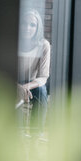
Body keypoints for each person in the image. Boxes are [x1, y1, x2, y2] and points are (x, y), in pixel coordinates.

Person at [17, 9, 51, 138]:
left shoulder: (44, 45)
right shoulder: (12, 41)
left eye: (32, 25)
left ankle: (37, 133)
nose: (27, 28)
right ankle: (18, 133)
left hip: (32, 84)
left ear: (38, 28)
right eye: (24, 23)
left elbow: (43, 76)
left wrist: (25, 87)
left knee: (42, 91)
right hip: (12, 81)